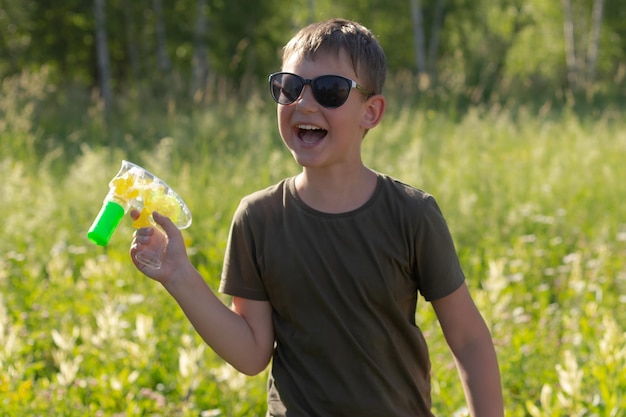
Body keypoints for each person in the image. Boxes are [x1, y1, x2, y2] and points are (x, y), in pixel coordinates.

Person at [130, 17, 504, 417]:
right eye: (289, 88)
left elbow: (468, 340)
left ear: (371, 112)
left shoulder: (412, 214)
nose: (304, 104)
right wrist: (179, 276)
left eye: (330, 91)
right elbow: (252, 353)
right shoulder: (259, 218)